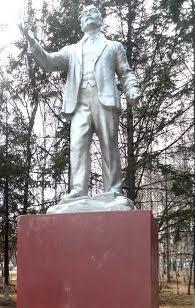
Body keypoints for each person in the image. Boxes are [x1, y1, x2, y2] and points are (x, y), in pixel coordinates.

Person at [20, 5, 139, 203]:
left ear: (100, 20)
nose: (88, 16)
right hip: (79, 104)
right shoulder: (71, 51)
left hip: (105, 101)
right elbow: (49, 62)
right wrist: (33, 42)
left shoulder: (113, 46)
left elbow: (126, 72)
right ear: (81, 23)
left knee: (109, 144)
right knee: (77, 145)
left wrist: (132, 89)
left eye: (92, 13)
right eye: (84, 15)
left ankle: (113, 190)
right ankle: (78, 189)